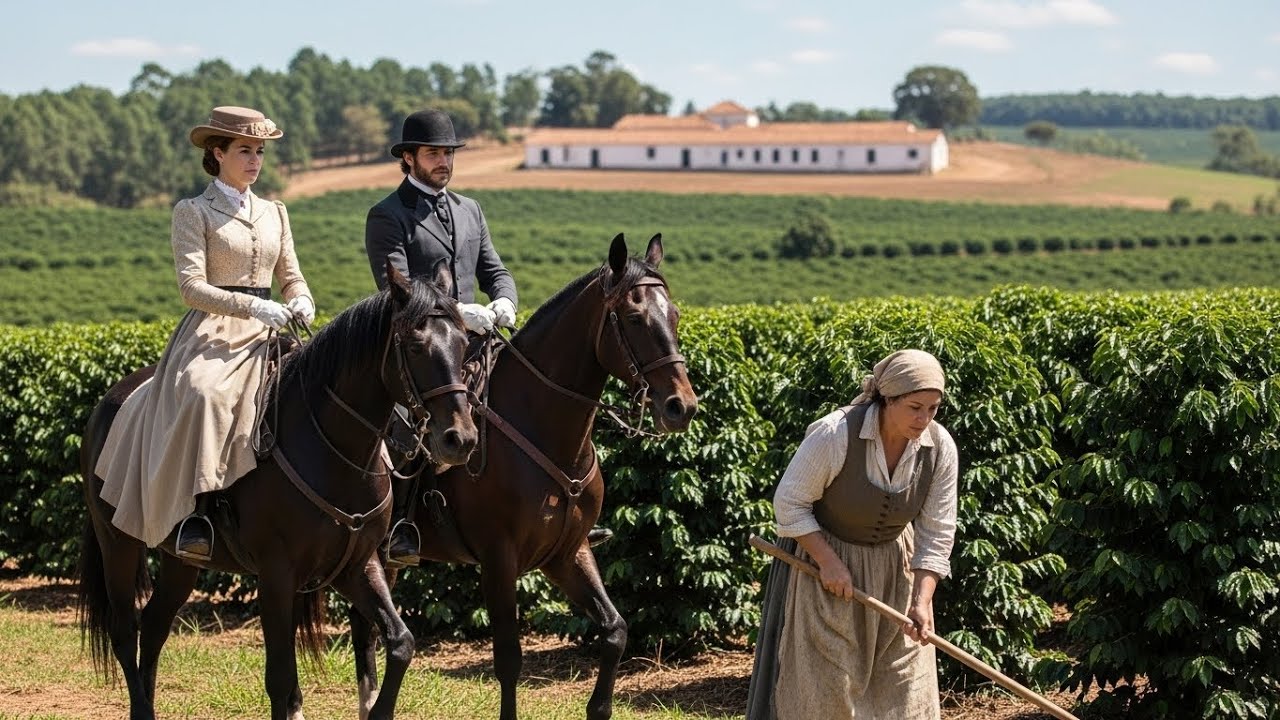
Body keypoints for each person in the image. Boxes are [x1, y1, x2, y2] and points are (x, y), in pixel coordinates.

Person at [364, 108, 610, 566]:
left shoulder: (469, 209)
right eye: (433, 153)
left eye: (448, 153)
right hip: (423, 348)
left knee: (544, 401)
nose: (443, 161)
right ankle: (403, 526)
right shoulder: (387, 215)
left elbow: (494, 269)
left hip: (476, 343)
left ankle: (568, 516)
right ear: (409, 158)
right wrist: (460, 312)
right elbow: (394, 289)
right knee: (407, 421)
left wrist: (505, 301)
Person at [96, 106, 315, 562]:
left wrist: (301, 298)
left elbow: (290, 274)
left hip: (273, 325)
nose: (255, 160)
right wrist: (253, 304)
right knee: (205, 394)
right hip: (214, 328)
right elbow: (191, 287)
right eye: (244, 151)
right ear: (217, 153)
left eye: (259, 152)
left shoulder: (275, 211)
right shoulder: (193, 211)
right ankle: (198, 515)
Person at [745, 349, 959, 720]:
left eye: (933, 408)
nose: (924, 419)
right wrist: (828, 562)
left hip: (897, 573)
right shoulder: (835, 433)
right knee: (828, 689)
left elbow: (937, 530)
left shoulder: (939, 447)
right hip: (826, 569)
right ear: (887, 400)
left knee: (904, 690)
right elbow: (790, 503)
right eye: (914, 407)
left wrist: (921, 600)